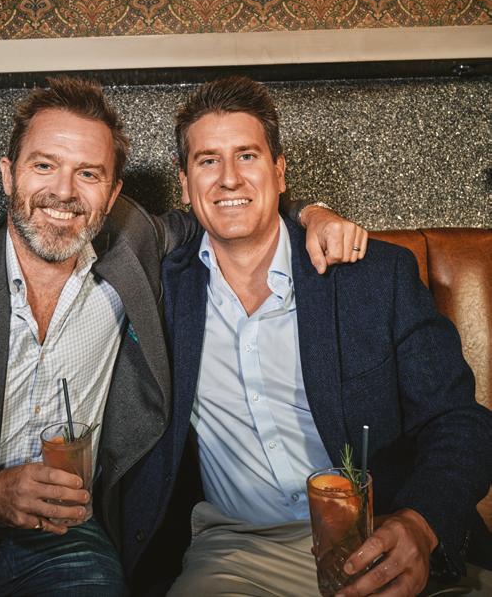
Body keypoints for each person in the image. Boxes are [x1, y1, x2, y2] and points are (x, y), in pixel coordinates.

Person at [0, 75, 363, 597]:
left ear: (113, 194)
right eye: (44, 165)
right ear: (8, 175)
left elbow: (228, 205)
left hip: (69, 542)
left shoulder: (135, 252)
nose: (63, 192)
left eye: (88, 174)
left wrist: (313, 214)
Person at [129, 76, 492, 596]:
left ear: (279, 171)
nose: (228, 178)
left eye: (247, 156)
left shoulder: (374, 276)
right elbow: (83, 217)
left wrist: (421, 524)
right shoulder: (160, 288)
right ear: (184, 184)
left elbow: (459, 420)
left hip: (383, 533)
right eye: (208, 160)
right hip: (238, 552)